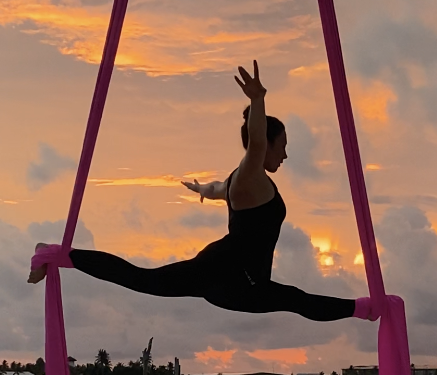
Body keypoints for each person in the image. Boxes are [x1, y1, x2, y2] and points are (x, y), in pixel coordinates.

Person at [35, 63, 358, 322]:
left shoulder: (242, 183)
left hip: (237, 281)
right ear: (267, 145)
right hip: (228, 276)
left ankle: (58, 255)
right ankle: (366, 308)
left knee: (294, 300)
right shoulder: (250, 175)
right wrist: (258, 100)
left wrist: (202, 189)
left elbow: (219, 189)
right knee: (295, 300)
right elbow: (257, 143)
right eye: (282, 146)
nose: (285, 155)